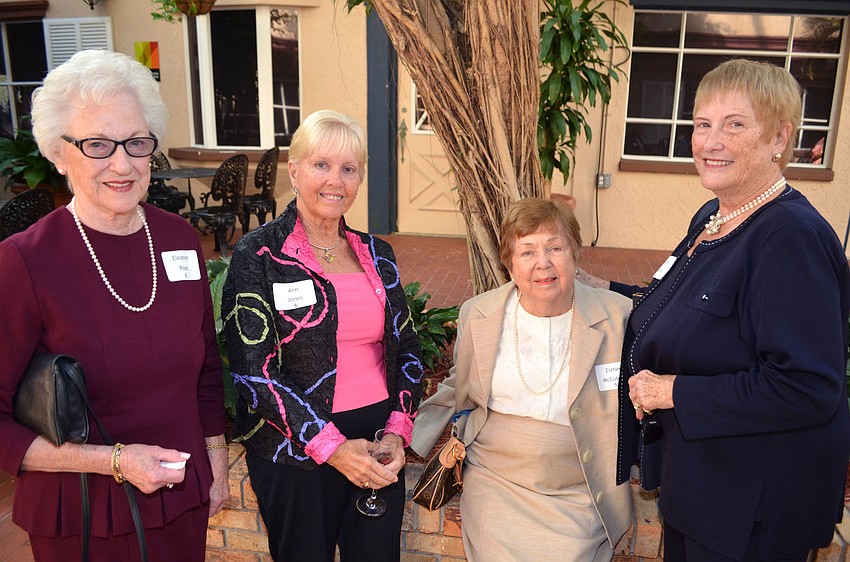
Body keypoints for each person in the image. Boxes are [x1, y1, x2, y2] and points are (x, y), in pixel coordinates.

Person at [582, 59, 850, 561]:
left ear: (778, 138)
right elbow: (682, 302)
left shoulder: (790, 238)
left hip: (752, 508)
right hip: (703, 487)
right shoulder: (715, 215)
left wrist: (672, 391)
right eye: (702, 124)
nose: (710, 142)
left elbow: (807, 387)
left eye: (735, 124)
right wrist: (602, 288)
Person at [0, 50, 229, 561]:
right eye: (98, 145)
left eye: (136, 143)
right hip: (83, 515)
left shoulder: (180, 240)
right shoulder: (25, 262)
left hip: (179, 498)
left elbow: (206, 369)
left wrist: (217, 465)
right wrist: (115, 462)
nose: (121, 164)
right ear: (60, 154)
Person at [222, 109, 424, 562]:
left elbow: (407, 349)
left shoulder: (378, 254)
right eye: (321, 165)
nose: (336, 180)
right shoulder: (259, 254)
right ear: (293, 171)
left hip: (375, 443)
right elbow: (254, 372)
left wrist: (396, 432)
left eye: (348, 169)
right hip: (294, 447)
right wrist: (330, 447)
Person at [411, 198, 634, 561]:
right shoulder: (479, 314)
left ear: (575, 254)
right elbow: (457, 383)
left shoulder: (616, 316)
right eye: (527, 251)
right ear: (509, 263)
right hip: (496, 481)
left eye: (555, 248)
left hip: (579, 485)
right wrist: (407, 435)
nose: (542, 263)